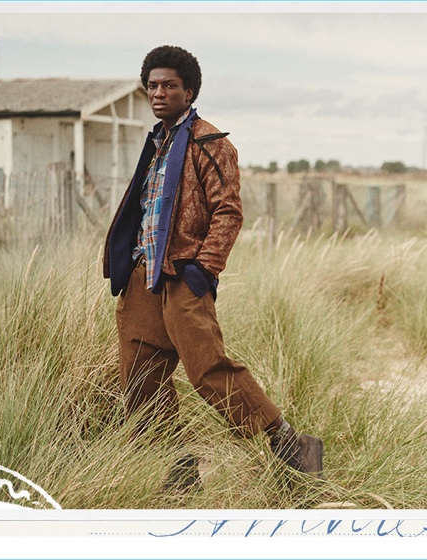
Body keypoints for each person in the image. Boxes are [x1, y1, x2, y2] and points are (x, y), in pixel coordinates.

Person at [102, 45, 323, 488]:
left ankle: (293, 446)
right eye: (152, 86)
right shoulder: (158, 143)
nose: (158, 93)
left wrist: (203, 270)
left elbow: (228, 212)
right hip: (144, 276)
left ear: (190, 91)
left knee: (207, 369)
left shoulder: (211, 143)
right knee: (141, 377)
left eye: (169, 86)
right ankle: (178, 474)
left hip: (184, 274)